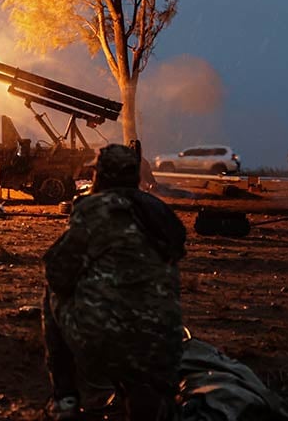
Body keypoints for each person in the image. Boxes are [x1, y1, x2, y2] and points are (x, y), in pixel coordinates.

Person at [42, 144, 186, 420]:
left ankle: (65, 400)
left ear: (101, 176)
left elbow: (57, 271)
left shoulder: (96, 209)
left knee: (53, 293)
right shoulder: (159, 214)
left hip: (106, 335)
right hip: (163, 341)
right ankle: (154, 398)